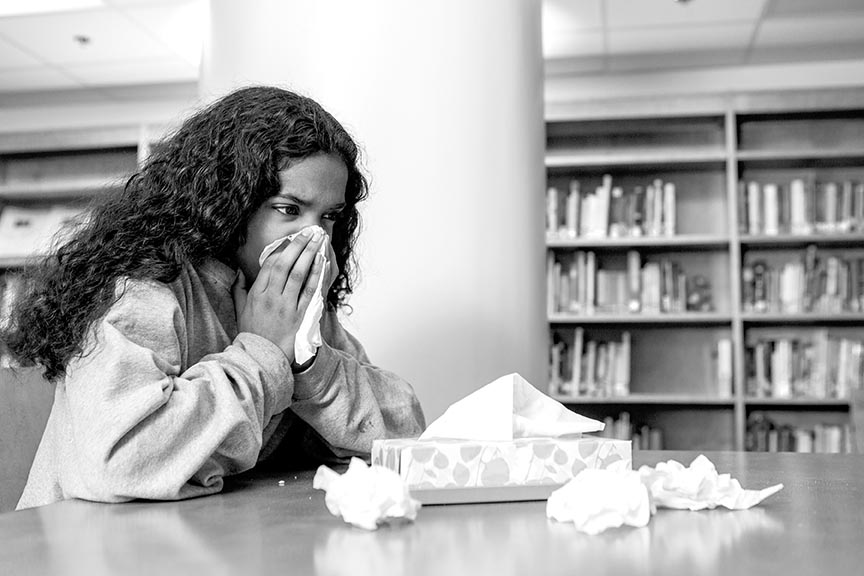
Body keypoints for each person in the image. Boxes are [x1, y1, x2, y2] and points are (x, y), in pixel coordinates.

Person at [3, 86, 426, 510]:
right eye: (288, 209)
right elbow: (120, 462)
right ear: (230, 199)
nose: (314, 238)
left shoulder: (297, 304)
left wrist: (307, 363)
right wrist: (261, 354)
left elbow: (403, 436)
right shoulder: (143, 287)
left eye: (330, 216)